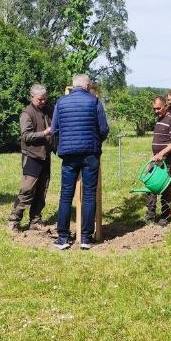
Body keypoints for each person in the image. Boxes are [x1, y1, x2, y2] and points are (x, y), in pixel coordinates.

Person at [52, 74, 109, 250]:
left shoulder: (61, 102)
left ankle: (62, 238)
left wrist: (64, 142)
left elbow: (54, 129)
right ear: (86, 85)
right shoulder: (95, 102)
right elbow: (104, 129)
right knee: (90, 195)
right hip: (90, 154)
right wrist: (96, 142)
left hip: (68, 155)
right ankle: (85, 237)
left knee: (65, 195)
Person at [9, 84, 53, 231]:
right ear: (32, 97)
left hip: (45, 156)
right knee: (27, 190)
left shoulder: (48, 110)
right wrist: (45, 133)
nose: (43, 101)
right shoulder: (27, 113)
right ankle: (14, 220)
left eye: (44, 99)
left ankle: (35, 220)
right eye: (40, 99)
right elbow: (26, 136)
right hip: (32, 156)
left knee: (42, 190)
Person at [142, 96, 171, 226]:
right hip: (156, 158)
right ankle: (151, 214)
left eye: (158, 108)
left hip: (167, 160)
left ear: (165, 106)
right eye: (154, 109)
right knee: (149, 185)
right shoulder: (159, 119)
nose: (156, 111)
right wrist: (155, 154)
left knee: (164, 188)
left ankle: (165, 216)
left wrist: (161, 154)